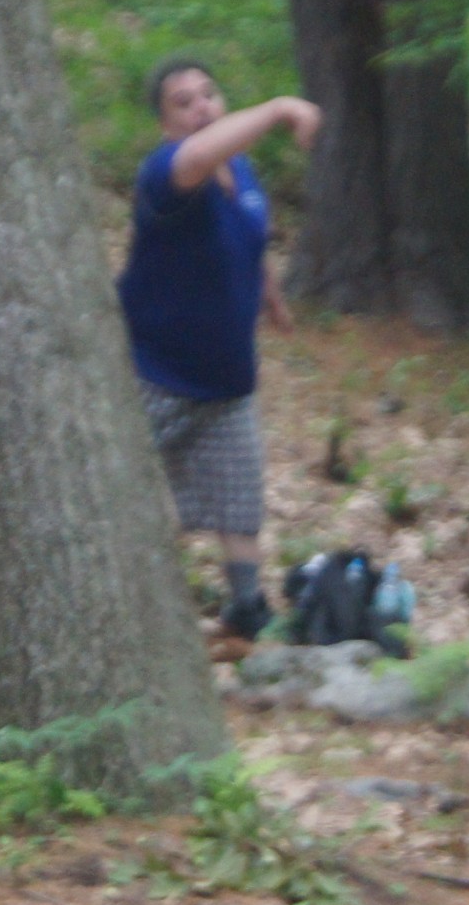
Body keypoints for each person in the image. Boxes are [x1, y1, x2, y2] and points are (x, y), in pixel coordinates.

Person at [118, 55, 320, 638]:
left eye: (209, 93)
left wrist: (271, 296)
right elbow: (200, 158)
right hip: (152, 370)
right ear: (166, 125)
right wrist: (281, 108)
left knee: (238, 497)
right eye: (184, 102)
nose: (202, 107)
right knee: (124, 491)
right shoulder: (167, 176)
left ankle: (247, 606)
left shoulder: (244, 172)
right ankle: (126, 603)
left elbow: (251, 236)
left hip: (226, 377)